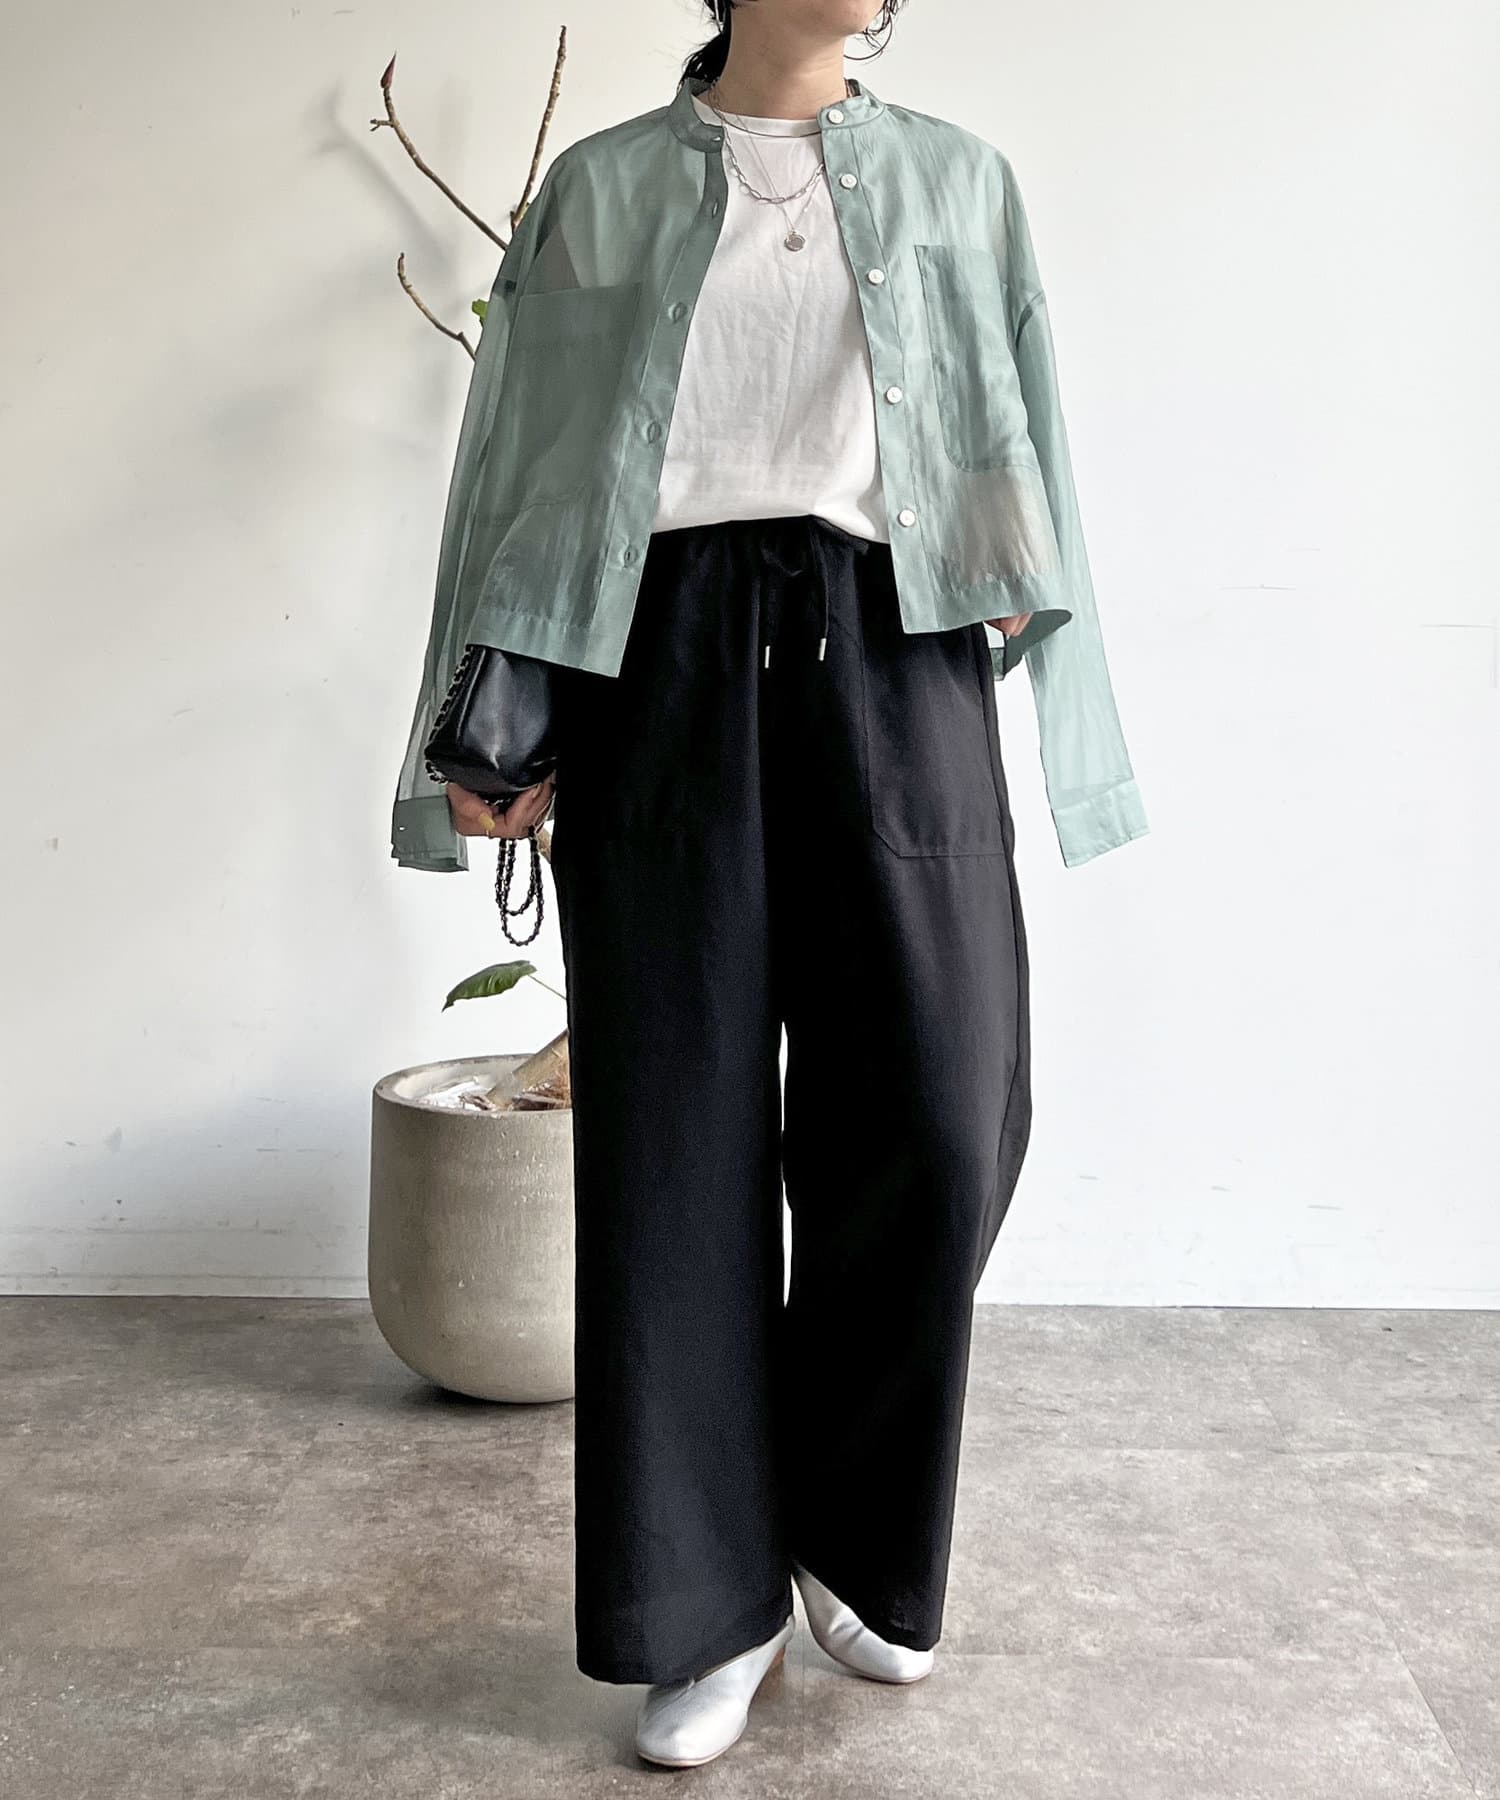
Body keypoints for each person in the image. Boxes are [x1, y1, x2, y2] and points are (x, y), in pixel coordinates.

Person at [392, 0, 1147, 1770]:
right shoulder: (596, 192)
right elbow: (509, 464)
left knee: (945, 1111)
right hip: (658, 663)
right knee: (675, 1138)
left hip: (900, 652)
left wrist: (1048, 649)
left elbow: (1027, 428)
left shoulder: (963, 182)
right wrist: (479, 729)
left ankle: (855, 1543)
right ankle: (703, 1602)